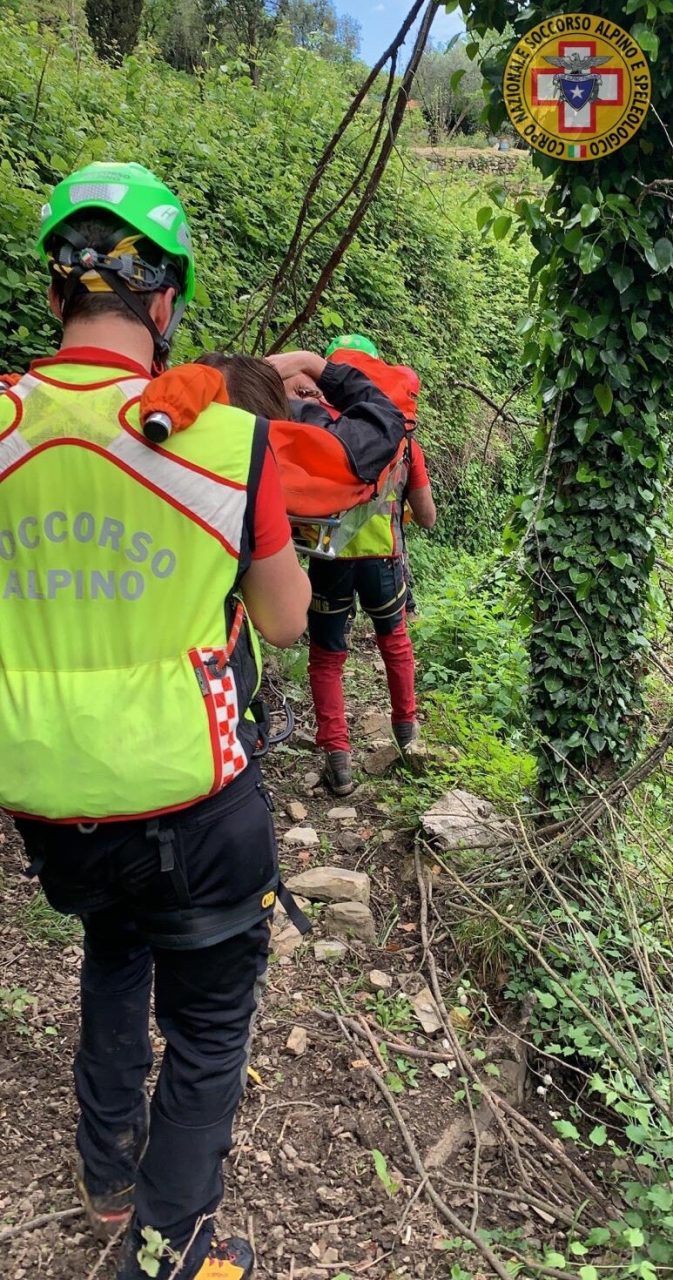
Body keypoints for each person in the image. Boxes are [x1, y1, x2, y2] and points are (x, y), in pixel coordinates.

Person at [0, 161, 311, 1280]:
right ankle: (169, 1245)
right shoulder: (225, 442)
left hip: (50, 798)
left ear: (54, 296)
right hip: (192, 795)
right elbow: (283, 622)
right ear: (164, 299)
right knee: (211, 1023)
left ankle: (101, 1174)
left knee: (112, 941)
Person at [269, 337, 435, 797]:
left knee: (327, 656)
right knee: (394, 642)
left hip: (328, 557)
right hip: (382, 559)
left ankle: (338, 762)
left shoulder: (321, 432)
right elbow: (427, 516)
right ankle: (408, 734)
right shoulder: (398, 437)